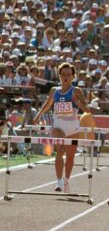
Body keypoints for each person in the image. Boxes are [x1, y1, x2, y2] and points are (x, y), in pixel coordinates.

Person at [32, 63, 89, 193]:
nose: (65, 77)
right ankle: (58, 182)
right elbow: (47, 105)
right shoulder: (54, 90)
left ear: (73, 76)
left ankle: (66, 180)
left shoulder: (77, 91)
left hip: (73, 127)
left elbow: (87, 110)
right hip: (58, 126)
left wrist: (77, 102)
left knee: (70, 158)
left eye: (68, 75)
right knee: (60, 150)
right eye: (63, 74)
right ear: (59, 75)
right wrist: (38, 116)